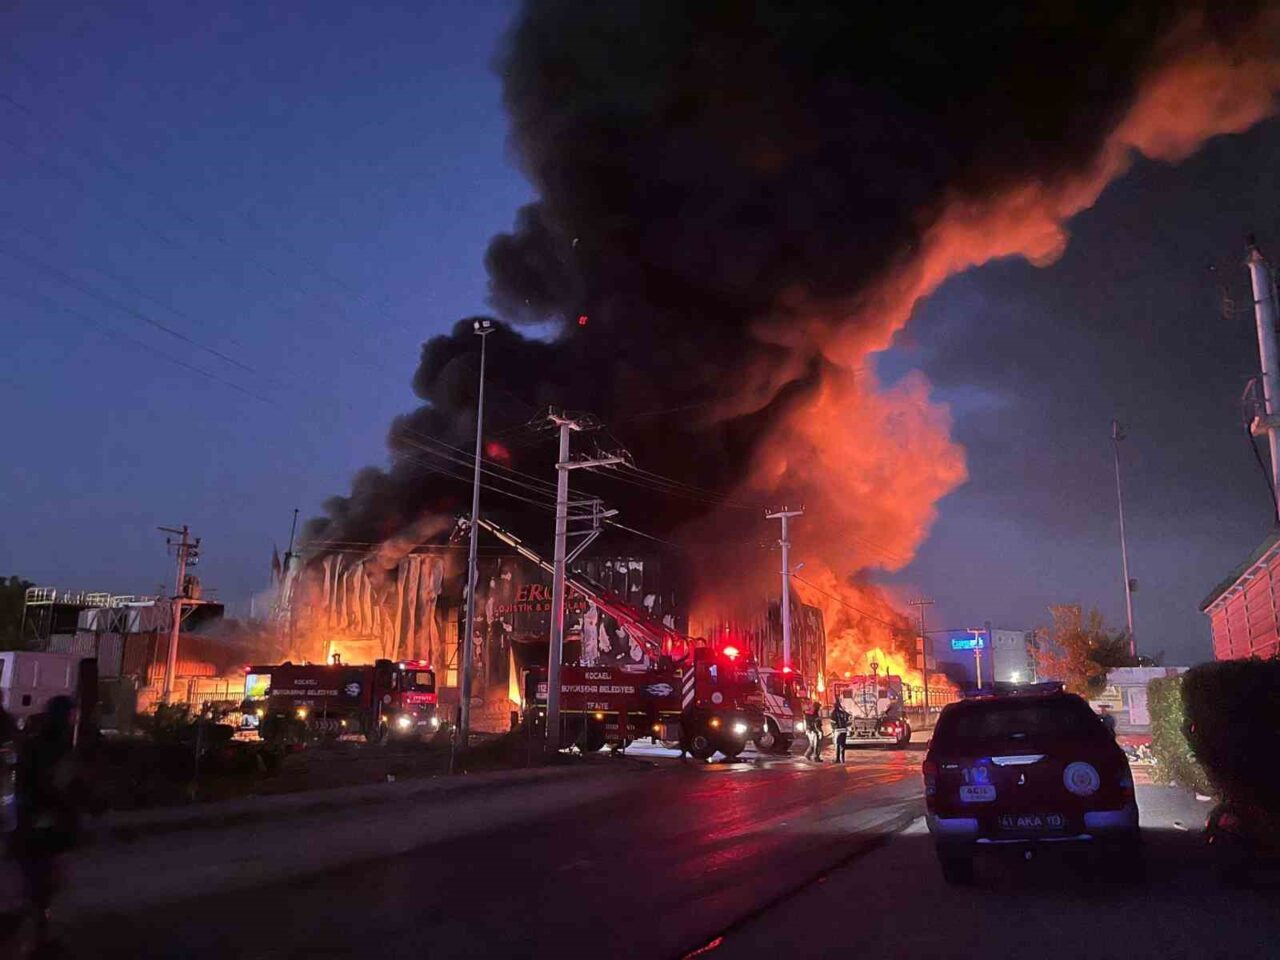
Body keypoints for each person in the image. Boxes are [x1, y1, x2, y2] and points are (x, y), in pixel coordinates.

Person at [13, 696, 81, 953]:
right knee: (42, 885)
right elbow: (57, 787)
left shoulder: (34, 745)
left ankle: (37, 935)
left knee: (40, 885)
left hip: (33, 824)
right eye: (72, 715)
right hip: (43, 827)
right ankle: (34, 939)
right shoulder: (57, 749)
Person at [830, 696, 851, 763]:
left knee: (837, 745)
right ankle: (843, 759)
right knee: (843, 745)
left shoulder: (834, 713)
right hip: (844, 731)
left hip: (837, 731)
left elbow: (832, 722)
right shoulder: (844, 713)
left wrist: (833, 729)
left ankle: (837, 759)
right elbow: (849, 719)